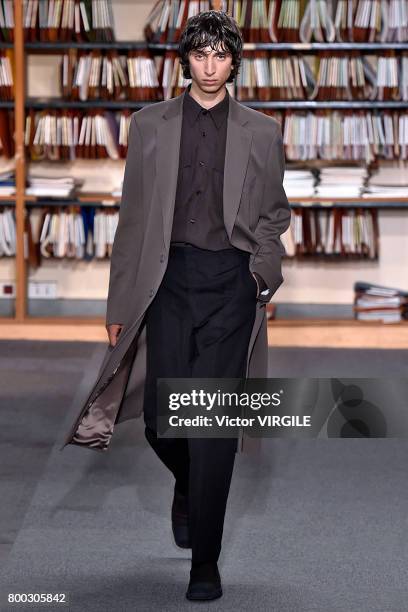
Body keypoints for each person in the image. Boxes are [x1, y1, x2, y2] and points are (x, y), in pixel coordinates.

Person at [105, 10, 291, 602]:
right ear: (183, 59)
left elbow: (275, 213)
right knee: (163, 420)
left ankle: (205, 561)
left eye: (221, 55)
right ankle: (189, 485)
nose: (210, 66)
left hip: (230, 282)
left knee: (209, 423)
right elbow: (133, 218)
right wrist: (119, 300)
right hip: (166, 281)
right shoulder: (148, 125)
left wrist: (262, 273)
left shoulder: (262, 130)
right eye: (199, 54)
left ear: (235, 62)